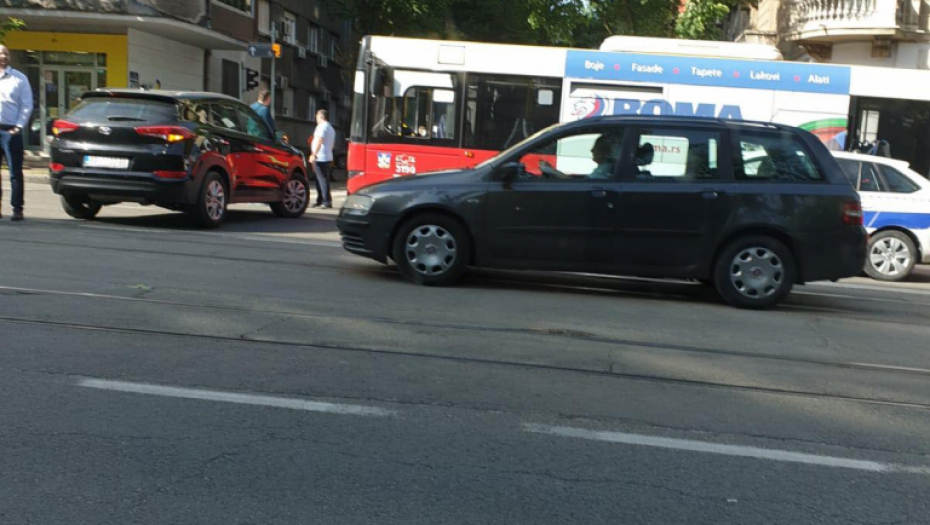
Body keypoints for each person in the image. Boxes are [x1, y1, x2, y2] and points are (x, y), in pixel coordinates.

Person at [0, 45, 33, 222]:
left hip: (11, 131)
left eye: (6, 54)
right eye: (0, 54)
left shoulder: (19, 79)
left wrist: (18, 127)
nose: (3, 57)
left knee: (15, 172)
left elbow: (26, 105)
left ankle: (17, 209)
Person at [308, 109, 335, 208]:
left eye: (316, 116)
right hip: (328, 156)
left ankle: (326, 201)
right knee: (321, 179)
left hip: (321, 157)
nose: (316, 118)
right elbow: (332, 144)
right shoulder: (331, 128)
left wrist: (313, 154)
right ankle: (320, 199)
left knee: (322, 180)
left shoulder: (321, 127)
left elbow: (319, 140)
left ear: (321, 116)